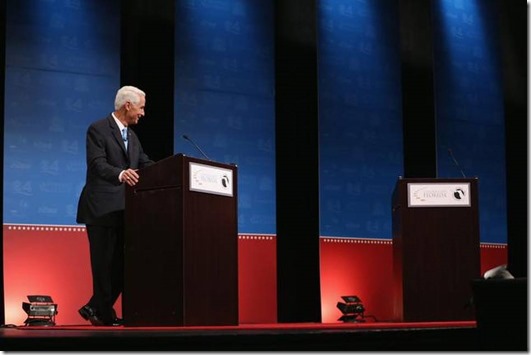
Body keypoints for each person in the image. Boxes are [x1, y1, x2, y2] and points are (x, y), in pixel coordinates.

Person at [76, 85, 155, 326]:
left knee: (125, 266)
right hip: (100, 208)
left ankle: (95, 307)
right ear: (128, 105)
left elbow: (144, 163)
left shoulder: (132, 136)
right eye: (141, 107)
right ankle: (103, 314)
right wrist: (121, 174)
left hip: (124, 210)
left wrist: (173, 170)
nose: (143, 113)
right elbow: (97, 165)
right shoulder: (98, 129)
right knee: (103, 265)